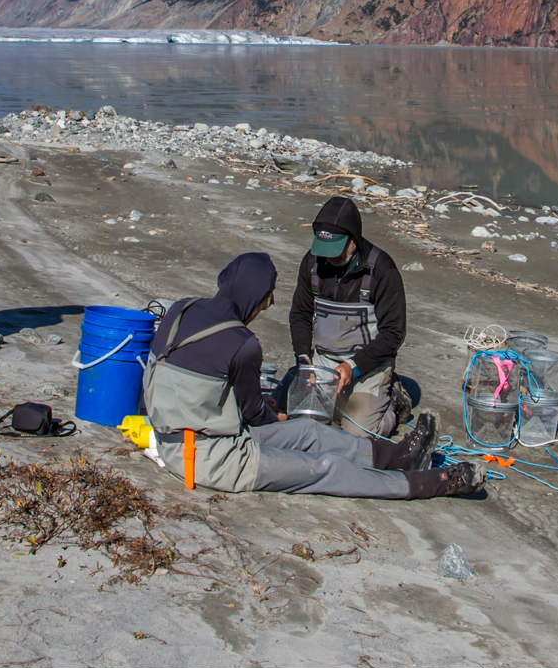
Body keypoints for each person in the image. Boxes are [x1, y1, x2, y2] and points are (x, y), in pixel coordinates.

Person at [144, 252, 481, 499]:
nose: (264, 309)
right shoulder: (242, 343)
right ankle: (429, 484)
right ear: (255, 297)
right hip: (210, 458)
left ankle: (398, 457)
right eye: (267, 301)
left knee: (307, 431)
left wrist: (276, 417)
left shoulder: (180, 309)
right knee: (325, 468)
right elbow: (253, 415)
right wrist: (275, 415)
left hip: (181, 437)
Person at [288, 196, 406, 439]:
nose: (328, 258)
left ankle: (393, 401)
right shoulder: (311, 263)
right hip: (322, 362)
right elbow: (300, 314)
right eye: (324, 250)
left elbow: (394, 333)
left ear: (353, 239)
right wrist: (303, 359)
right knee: (299, 418)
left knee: (356, 434)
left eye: (336, 251)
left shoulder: (382, 269)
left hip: (366, 365)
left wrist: (353, 366)